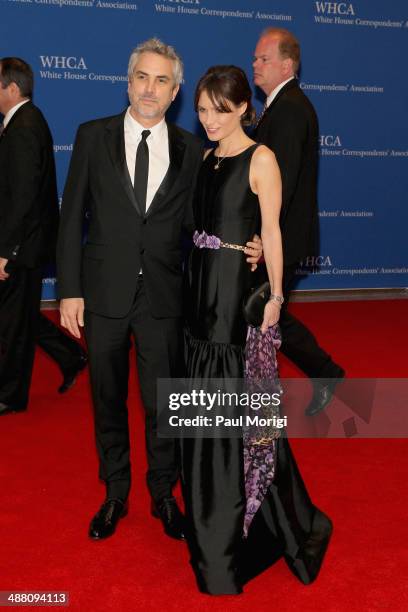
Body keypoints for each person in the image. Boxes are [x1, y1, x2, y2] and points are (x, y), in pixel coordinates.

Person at [56, 39, 262, 542]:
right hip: (102, 293)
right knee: (106, 397)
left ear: (175, 93)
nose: (150, 89)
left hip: (167, 299)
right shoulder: (91, 136)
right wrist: (69, 290)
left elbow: (207, 221)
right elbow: (70, 218)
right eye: (142, 78)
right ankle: (115, 491)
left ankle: (164, 493)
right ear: (128, 83)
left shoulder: (194, 151)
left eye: (162, 80)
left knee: (164, 403)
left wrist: (248, 245)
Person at [180, 65, 332, 595]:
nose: (210, 120)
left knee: (240, 413)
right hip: (196, 292)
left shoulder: (261, 158)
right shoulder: (205, 157)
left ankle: (240, 527)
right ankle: (205, 514)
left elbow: (272, 228)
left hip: (231, 301)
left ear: (244, 107)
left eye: (220, 110)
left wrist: (275, 294)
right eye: (202, 110)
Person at [253, 28, 344, 416]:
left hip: (281, 236)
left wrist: (260, 236)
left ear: (287, 65)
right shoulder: (281, 105)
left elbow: (282, 183)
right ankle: (324, 372)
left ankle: (323, 371)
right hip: (281, 234)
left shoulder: (289, 108)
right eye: (255, 58)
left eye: (263, 59)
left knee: (264, 313)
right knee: (268, 313)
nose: (255, 65)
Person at [0, 57, 60, 415]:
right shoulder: (22, 121)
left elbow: (22, 198)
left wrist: (6, 252)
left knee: (12, 326)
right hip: (23, 243)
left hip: (22, 246)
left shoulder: (24, 126)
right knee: (16, 321)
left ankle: (9, 395)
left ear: (11, 88)